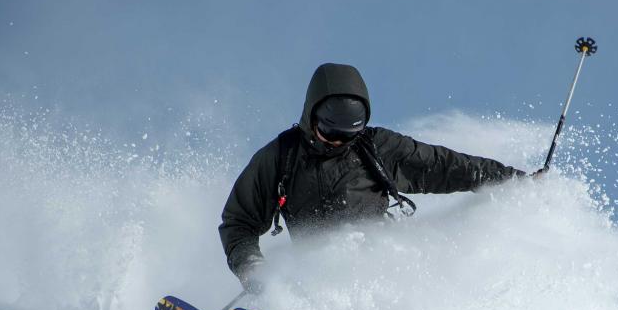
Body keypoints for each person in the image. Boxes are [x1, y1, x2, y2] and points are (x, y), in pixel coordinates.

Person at [219, 63, 541, 291]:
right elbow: (239, 222)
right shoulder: (281, 156)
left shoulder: (375, 148)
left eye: (348, 135)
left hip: (380, 273)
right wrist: (252, 268)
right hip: (316, 280)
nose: (338, 142)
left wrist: (514, 181)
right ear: (311, 116)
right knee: (309, 292)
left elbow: (445, 166)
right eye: (330, 132)